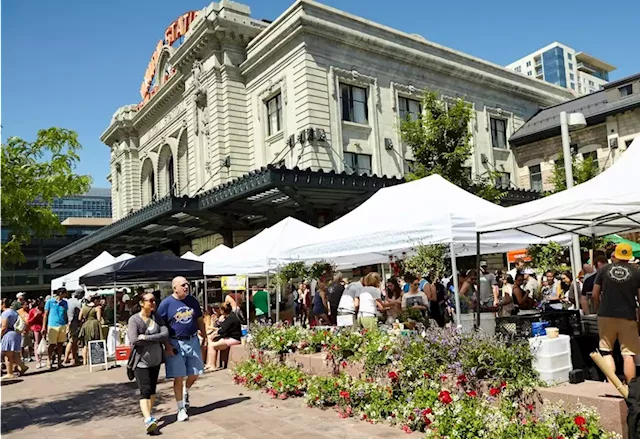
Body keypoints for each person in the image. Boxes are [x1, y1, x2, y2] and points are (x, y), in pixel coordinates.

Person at [157, 277, 206, 422]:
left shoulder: (192, 301)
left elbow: (199, 319)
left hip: (192, 340)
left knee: (196, 373)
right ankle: (181, 408)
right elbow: (161, 325)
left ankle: (186, 390)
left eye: (187, 285)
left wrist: (204, 336)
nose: (186, 287)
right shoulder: (166, 304)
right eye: (183, 285)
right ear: (175, 288)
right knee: (179, 376)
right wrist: (167, 345)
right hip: (175, 343)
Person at [592, 243, 640, 383]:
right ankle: (631, 390)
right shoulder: (637, 272)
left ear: (615, 255)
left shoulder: (603, 270)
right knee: (628, 355)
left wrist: (597, 310)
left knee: (607, 352)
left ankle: (612, 386)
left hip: (606, 315)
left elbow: (595, 295)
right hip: (628, 316)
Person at [128, 292, 168, 434]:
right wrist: (154, 338)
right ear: (141, 303)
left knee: (152, 390)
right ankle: (148, 419)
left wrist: (146, 337)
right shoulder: (134, 320)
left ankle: (149, 415)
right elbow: (134, 340)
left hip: (156, 360)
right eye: (150, 300)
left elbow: (165, 334)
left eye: (154, 300)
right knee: (145, 390)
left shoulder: (157, 318)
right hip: (141, 361)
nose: (153, 303)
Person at [1, 298, 28, 378]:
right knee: (15, 354)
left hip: (9, 334)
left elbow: (4, 327)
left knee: (8, 355)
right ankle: (23, 367)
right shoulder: (14, 312)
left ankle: (9, 373)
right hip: (16, 333)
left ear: (3, 304)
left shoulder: (5, 313)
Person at [43, 288, 69, 369]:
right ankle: (49, 359)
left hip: (62, 325)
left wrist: (67, 324)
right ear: (61, 293)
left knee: (60, 344)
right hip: (52, 325)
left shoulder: (65, 303)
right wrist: (44, 326)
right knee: (52, 344)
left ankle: (59, 362)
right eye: (65, 293)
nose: (66, 295)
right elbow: (46, 315)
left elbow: (65, 314)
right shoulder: (50, 302)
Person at [79, 293, 103, 365]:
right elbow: (99, 319)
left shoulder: (83, 307)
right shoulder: (97, 308)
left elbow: (79, 318)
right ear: (96, 300)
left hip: (85, 325)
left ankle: (84, 361)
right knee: (94, 342)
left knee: (85, 344)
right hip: (94, 325)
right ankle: (93, 359)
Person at [63, 288, 83, 366]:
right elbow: (81, 314)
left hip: (68, 322)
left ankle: (74, 358)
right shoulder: (77, 302)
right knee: (72, 341)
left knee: (73, 342)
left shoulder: (68, 301)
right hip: (73, 323)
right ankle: (66, 358)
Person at [27, 299, 45, 368]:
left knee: (42, 344)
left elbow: (44, 319)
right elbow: (29, 321)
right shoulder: (32, 310)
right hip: (35, 329)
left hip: (42, 328)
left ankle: (40, 359)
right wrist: (35, 316)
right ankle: (38, 361)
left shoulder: (43, 311)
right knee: (37, 344)